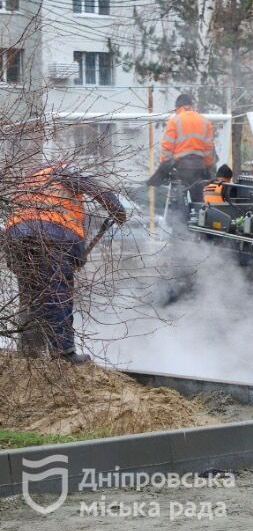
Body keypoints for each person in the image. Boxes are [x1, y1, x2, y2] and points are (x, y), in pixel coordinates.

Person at [5, 163, 127, 363]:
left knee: (30, 295)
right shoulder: (61, 171)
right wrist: (116, 208)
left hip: (16, 240)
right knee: (57, 293)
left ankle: (30, 353)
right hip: (51, 237)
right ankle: (64, 354)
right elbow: (93, 187)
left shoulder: (28, 182)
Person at [147, 93, 216, 202]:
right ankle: (199, 216)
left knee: (178, 202)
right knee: (198, 200)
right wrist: (207, 166)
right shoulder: (205, 121)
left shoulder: (174, 121)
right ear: (191, 106)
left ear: (179, 107)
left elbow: (167, 147)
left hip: (181, 168)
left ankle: (181, 217)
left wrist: (164, 166)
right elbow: (209, 149)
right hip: (199, 167)